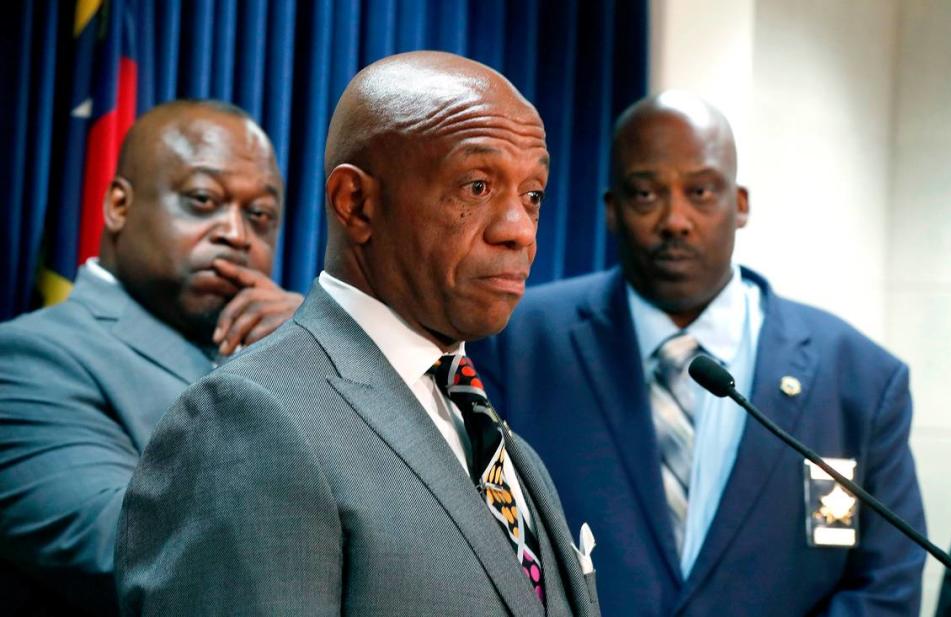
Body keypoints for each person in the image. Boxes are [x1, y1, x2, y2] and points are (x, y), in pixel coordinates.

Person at [115, 51, 600, 617]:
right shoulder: (250, 421)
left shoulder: (498, 438)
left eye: (532, 195)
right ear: (356, 204)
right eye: (475, 186)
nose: (519, 230)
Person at [470, 91, 926, 616]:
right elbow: (481, 553)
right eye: (645, 194)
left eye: (702, 191)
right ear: (612, 212)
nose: (675, 220)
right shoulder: (514, 345)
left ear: (742, 204)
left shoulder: (860, 379)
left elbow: (885, 589)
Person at [0, 99, 303, 616]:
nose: (236, 233)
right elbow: (135, 559)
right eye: (204, 199)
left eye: (260, 215)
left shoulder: (293, 354)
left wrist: (316, 357)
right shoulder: (27, 359)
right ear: (118, 206)